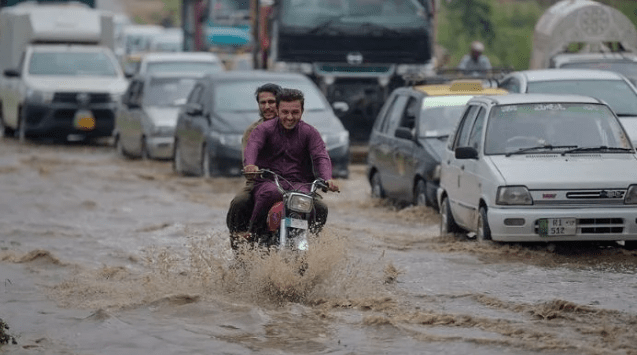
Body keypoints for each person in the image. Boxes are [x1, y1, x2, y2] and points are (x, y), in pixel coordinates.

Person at [243, 88, 339, 238]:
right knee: (270, 193)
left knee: (317, 206)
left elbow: (320, 156)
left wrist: (327, 178)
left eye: (295, 112)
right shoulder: (263, 129)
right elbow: (253, 146)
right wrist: (250, 165)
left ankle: (314, 242)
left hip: (300, 184)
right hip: (268, 182)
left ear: (302, 111)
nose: (289, 117)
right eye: (285, 112)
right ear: (278, 110)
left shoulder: (310, 132)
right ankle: (253, 233)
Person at [226, 83, 282, 244]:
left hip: (294, 182)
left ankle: (316, 242)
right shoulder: (252, 131)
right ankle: (240, 246)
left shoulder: (297, 128)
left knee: (319, 206)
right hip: (262, 181)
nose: (267, 106)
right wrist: (252, 168)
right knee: (240, 202)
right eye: (263, 103)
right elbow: (248, 159)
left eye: (271, 102)